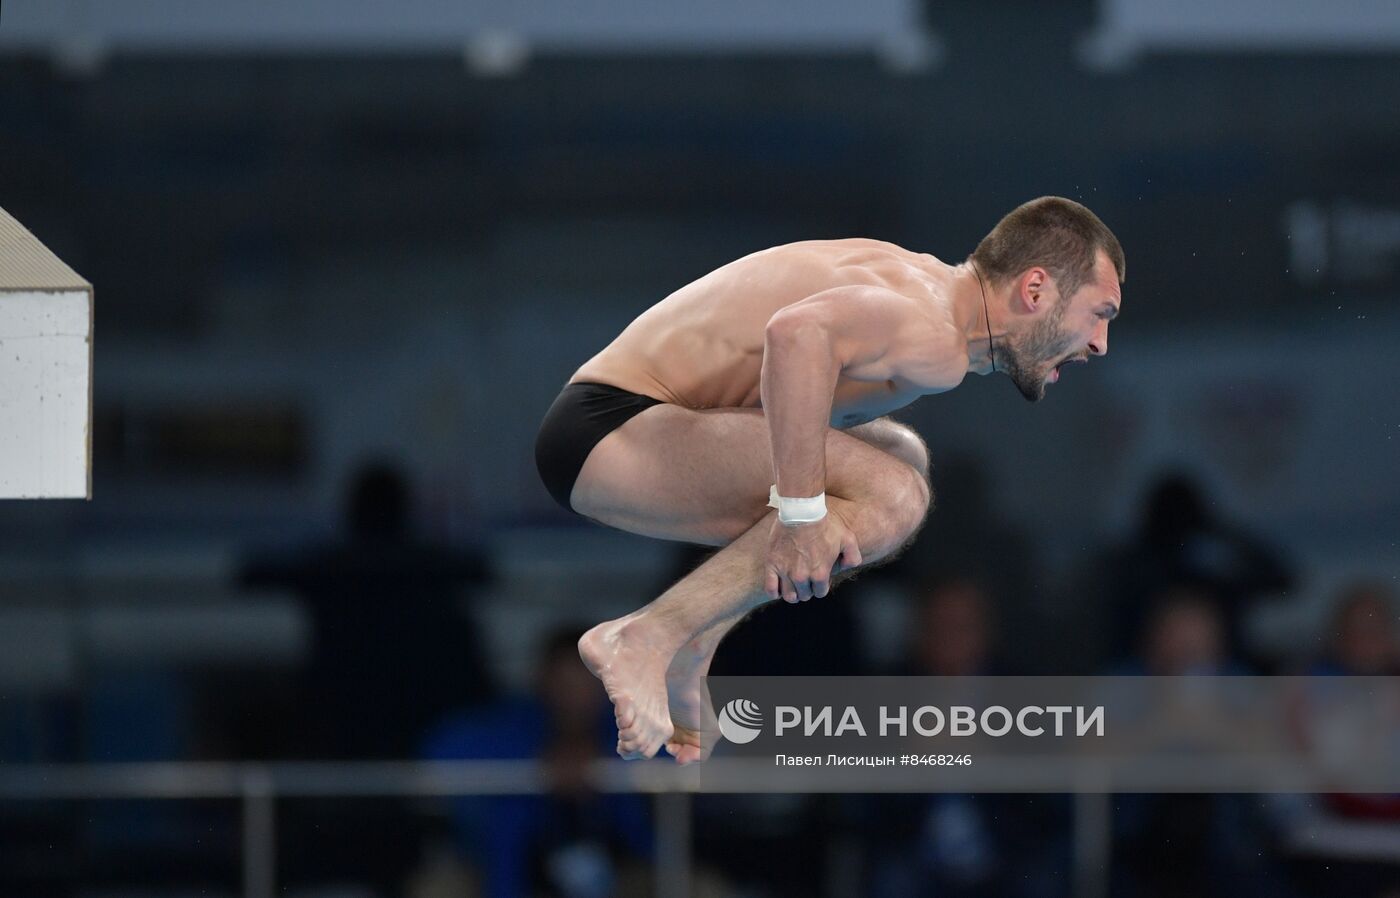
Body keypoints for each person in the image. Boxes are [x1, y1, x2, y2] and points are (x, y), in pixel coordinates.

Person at [535, 196, 1126, 762]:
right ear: (1035, 288)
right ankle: (644, 635)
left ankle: (696, 633)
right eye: (1099, 315)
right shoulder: (934, 333)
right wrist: (798, 514)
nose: (1100, 344)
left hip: (637, 425)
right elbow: (796, 334)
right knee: (893, 495)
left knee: (904, 457)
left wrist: (806, 507)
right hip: (611, 430)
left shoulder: (926, 288)